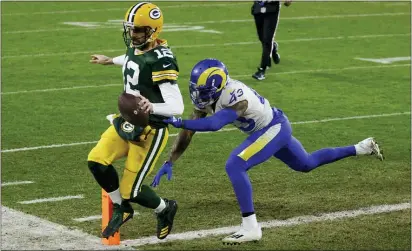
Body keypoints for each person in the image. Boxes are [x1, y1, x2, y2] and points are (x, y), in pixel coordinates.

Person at [151, 58, 384, 244]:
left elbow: (214, 124)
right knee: (307, 163)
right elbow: (190, 131)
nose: (198, 94)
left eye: (202, 90)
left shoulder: (235, 95)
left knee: (235, 164)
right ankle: (361, 147)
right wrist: (171, 160)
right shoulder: (210, 97)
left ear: (217, 85)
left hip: (274, 128)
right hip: (270, 128)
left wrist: (177, 121)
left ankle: (250, 227)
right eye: (196, 89)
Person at [87, 2, 184, 240]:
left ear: (153, 30)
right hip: (127, 121)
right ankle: (122, 207)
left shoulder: (162, 59)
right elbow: (131, 59)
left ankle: (165, 207)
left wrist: (153, 106)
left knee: (133, 189)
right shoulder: (137, 47)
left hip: (151, 130)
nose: (133, 34)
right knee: (97, 161)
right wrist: (109, 60)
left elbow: (178, 106)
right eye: (131, 29)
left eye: (139, 30)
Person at [252, 0, 292, 81]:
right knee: (262, 38)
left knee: (267, 40)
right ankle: (273, 47)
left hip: (272, 7)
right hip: (258, 6)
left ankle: (262, 70)